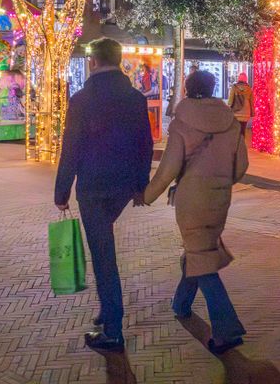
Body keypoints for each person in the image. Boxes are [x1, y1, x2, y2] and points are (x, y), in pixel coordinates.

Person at [54, 38, 153, 353]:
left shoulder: (82, 99)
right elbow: (145, 144)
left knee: (103, 256)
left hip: (93, 186)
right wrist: (140, 184)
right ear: (119, 59)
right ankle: (107, 310)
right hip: (122, 185)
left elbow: (71, 146)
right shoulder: (135, 97)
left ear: (93, 62)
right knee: (103, 245)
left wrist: (62, 189)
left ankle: (113, 328)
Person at [143, 70, 249, 354]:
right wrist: (220, 183)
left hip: (191, 200)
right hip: (220, 198)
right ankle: (181, 303)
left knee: (201, 259)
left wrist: (146, 195)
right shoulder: (229, 121)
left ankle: (227, 330)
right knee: (198, 251)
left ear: (188, 89)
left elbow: (168, 170)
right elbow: (241, 166)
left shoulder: (181, 122)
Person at [227, 72, 254, 138]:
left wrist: (228, 108)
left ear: (238, 78)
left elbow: (230, 100)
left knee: (236, 129)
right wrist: (253, 113)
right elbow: (252, 102)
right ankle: (242, 145)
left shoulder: (234, 87)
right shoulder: (249, 89)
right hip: (246, 113)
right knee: (243, 130)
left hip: (236, 112)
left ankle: (236, 144)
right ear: (246, 79)